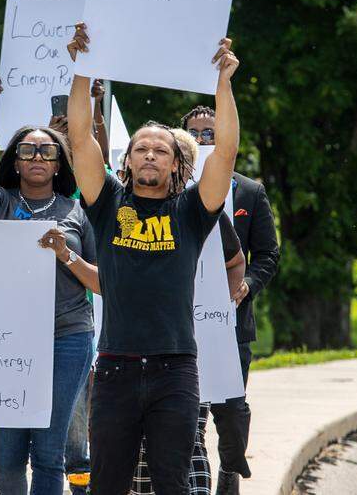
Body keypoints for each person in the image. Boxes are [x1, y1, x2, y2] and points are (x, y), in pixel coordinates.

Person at [66, 22, 241, 495]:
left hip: (175, 369)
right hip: (115, 368)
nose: (149, 155)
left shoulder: (192, 211)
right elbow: (80, 140)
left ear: (176, 164)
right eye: (140, 148)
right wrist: (81, 70)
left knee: (172, 485)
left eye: (160, 151)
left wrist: (223, 84)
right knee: (107, 485)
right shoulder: (107, 203)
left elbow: (225, 152)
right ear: (126, 161)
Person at [0, 125, 98, 495]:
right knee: (6, 461)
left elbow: (102, 282)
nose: (38, 157)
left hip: (67, 336)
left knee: (49, 452)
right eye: (27, 150)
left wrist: (65, 254)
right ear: (15, 161)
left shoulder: (78, 212)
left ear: (59, 164)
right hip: (6, 339)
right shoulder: (0, 201)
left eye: (47, 151)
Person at [129, 129, 247, 495]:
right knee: (139, 439)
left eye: (175, 157)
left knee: (189, 434)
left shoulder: (204, 214)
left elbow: (235, 261)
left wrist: (223, 304)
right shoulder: (125, 208)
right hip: (132, 349)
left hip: (190, 347)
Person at [180, 106, 279, 495]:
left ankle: (230, 465)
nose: (203, 139)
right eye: (195, 133)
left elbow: (267, 254)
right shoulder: (172, 189)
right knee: (190, 410)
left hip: (232, 319)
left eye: (210, 132)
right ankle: (198, 478)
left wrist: (248, 284)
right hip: (183, 320)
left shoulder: (249, 192)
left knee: (231, 410)